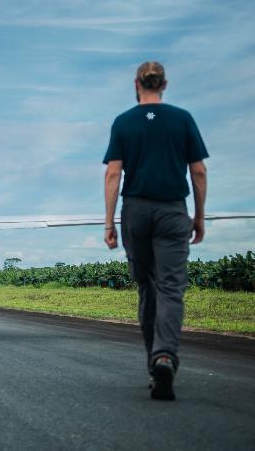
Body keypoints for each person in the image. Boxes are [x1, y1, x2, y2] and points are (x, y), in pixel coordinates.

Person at [103, 61, 208, 401]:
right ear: (165, 84)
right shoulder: (182, 119)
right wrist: (199, 215)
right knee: (170, 287)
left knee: (147, 285)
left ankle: (155, 361)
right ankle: (164, 355)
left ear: (137, 84)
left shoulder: (123, 122)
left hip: (135, 211)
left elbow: (113, 176)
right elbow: (199, 171)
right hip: (172, 210)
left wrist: (109, 222)